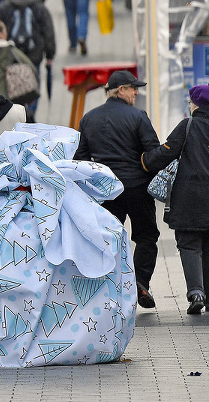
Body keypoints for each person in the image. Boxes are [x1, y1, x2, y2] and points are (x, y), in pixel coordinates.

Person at [74, 70, 161, 309]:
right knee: (146, 235)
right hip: (137, 188)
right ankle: (140, 283)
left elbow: (80, 159)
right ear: (120, 90)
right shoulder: (138, 116)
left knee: (106, 239)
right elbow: (152, 153)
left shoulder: (89, 119)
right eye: (133, 88)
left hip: (105, 191)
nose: (136, 92)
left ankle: (107, 289)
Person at [141, 85, 209, 314]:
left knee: (189, 244)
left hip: (191, 199)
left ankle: (196, 293)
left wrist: (145, 161)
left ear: (196, 104)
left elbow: (166, 152)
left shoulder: (188, 126)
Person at [0, 0, 56, 117]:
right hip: (34, 54)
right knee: (34, 79)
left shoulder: (5, 5)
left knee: (11, 81)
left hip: (11, 54)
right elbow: (48, 31)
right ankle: (31, 111)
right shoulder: (39, 5)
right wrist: (50, 54)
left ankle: (15, 111)